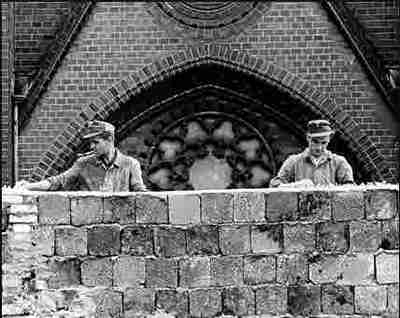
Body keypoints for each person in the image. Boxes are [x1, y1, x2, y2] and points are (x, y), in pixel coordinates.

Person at [15, 120, 147, 192]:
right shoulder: (84, 163)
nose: (91, 147)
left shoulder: (130, 164)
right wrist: (28, 186)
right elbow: (58, 182)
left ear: (110, 139)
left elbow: (141, 194)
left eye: (96, 142)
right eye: (90, 143)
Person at [270, 119, 354, 187]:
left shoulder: (339, 162)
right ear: (308, 138)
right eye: (315, 142)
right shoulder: (293, 161)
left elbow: (351, 189)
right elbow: (274, 185)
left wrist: (335, 190)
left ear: (329, 140)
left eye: (324, 143)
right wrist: (295, 186)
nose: (319, 147)